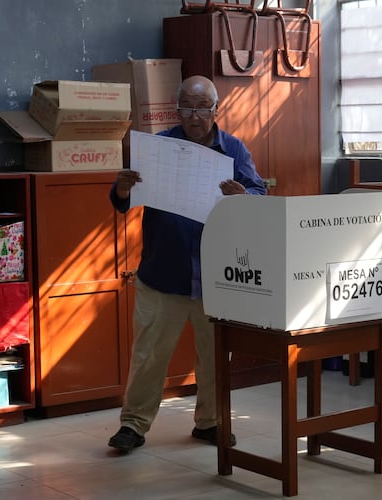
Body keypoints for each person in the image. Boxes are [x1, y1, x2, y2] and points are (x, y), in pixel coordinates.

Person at [108, 75, 267, 453]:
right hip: (164, 270)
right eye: (187, 107)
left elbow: (260, 191)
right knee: (149, 356)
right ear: (176, 109)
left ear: (216, 110)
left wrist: (243, 195)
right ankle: (133, 425)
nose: (194, 115)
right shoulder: (159, 147)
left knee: (214, 355)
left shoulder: (233, 150)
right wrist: (123, 189)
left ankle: (210, 422)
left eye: (202, 108)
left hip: (216, 274)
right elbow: (124, 200)